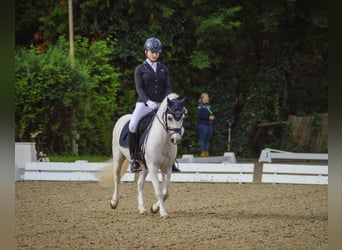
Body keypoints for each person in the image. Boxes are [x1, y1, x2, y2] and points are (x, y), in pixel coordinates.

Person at [128, 37, 181, 173]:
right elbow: (139, 88)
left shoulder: (163, 69)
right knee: (133, 125)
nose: (154, 54)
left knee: (176, 127)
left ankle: (172, 160)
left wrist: (168, 100)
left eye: (157, 52)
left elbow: (167, 87)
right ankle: (134, 159)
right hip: (144, 104)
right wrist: (147, 101)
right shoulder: (140, 69)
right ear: (146, 52)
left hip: (162, 104)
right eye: (152, 52)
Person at [197, 92, 215, 157]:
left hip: (209, 124)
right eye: (207, 97)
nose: (208, 98)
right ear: (203, 98)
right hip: (202, 124)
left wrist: (212, 116)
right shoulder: (200, 106)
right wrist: (208, 118)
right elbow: (200, 115)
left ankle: (206, 151)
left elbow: (211, 113)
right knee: (203, 138)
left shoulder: (209, 106)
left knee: (208, 138)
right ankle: (202, 151)